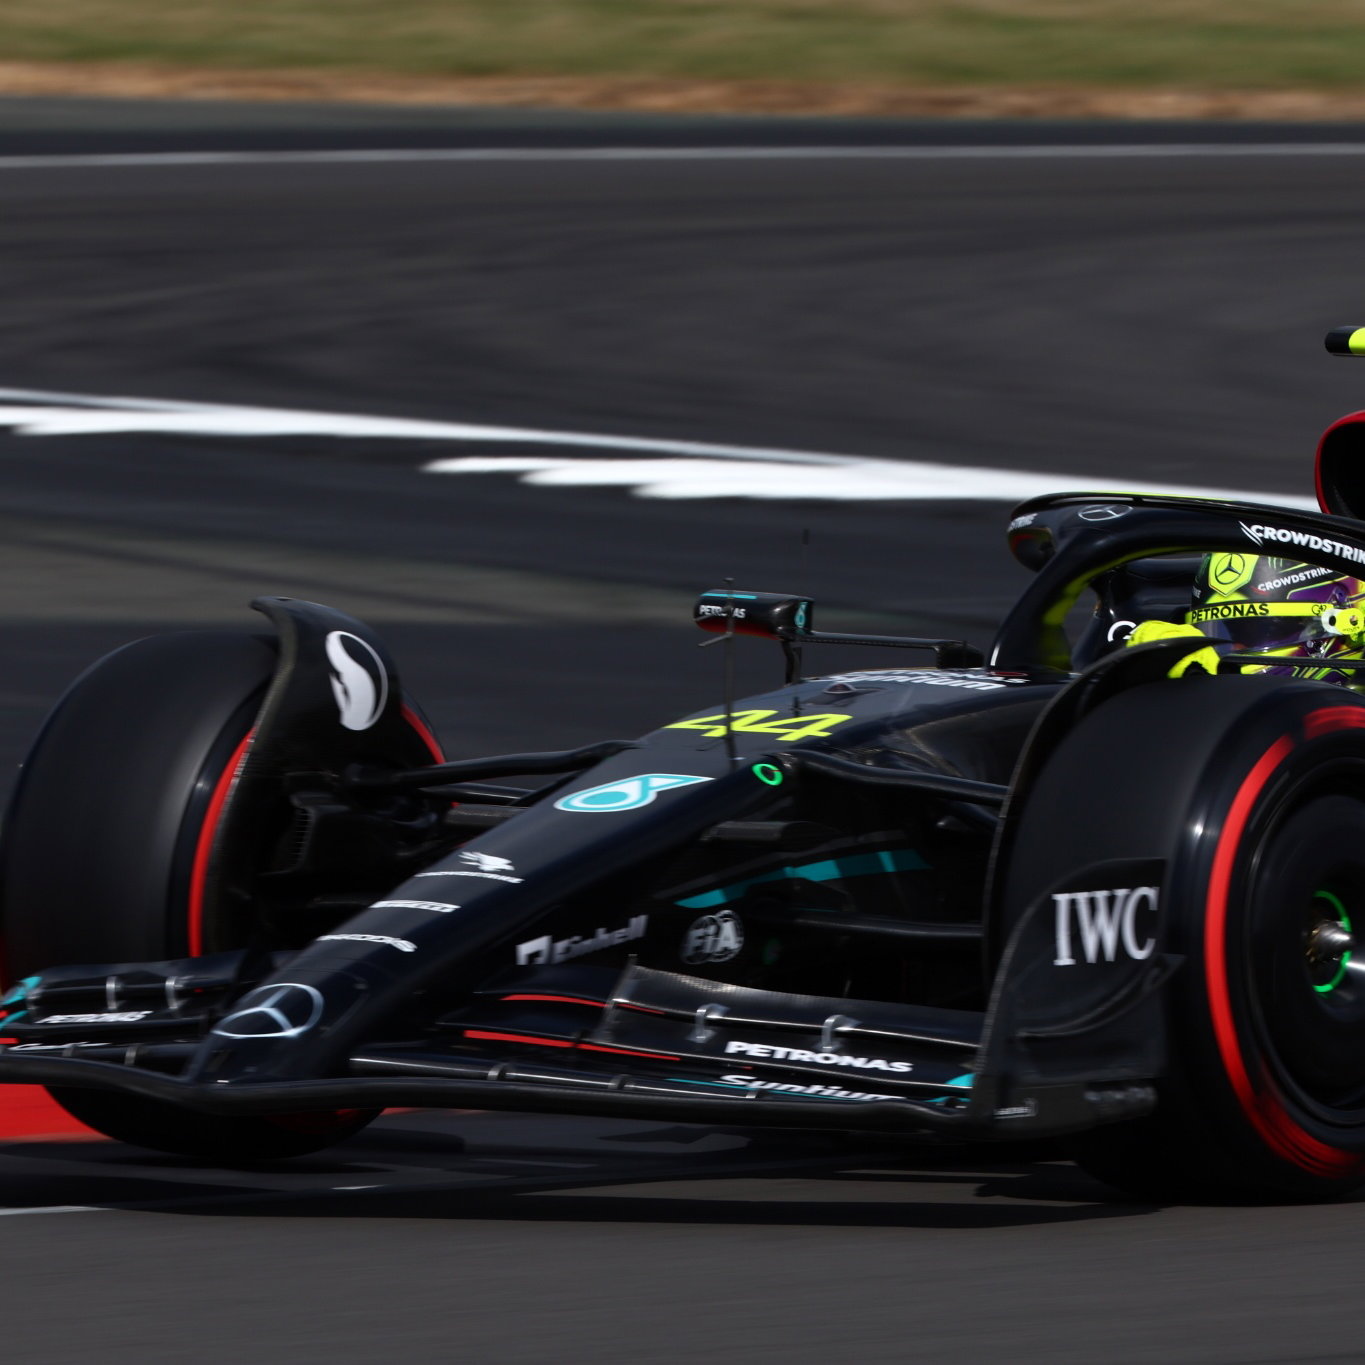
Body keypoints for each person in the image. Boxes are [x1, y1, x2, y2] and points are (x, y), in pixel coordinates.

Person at [1126, 552, 1365, 684]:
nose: (1231, 650)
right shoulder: (1195, 672)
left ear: (1346, 622)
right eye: (1214, 632)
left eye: (1254, 632)